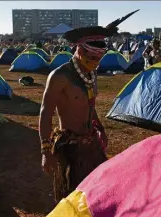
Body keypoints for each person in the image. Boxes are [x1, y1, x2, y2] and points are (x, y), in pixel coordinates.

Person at [39, 10, 139, 203]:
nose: (95, 62)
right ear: (79, 49)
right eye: (91, 57)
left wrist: (100, 127)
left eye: (99, 58)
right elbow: (45, 112)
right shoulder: (60, 77)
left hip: (91, 143)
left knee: (98, 193)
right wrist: (45, 150)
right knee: (73, 197)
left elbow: (90, 105)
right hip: (70, 148)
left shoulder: (90, 74)